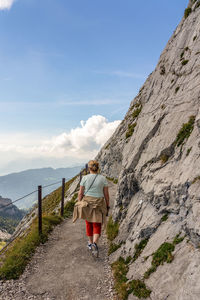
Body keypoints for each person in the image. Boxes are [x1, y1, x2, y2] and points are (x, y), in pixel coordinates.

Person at [73, 160, 110, 257]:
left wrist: (79, 201)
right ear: (98, 168)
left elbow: (80, 193)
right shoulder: (103, 179)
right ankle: (95, 243)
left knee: (88, 223)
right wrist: (107, 205)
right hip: (99, 203)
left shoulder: (85, 178)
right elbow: (106, 194)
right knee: (97, 223)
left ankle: (90, 243)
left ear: (89, 168)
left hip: (87, 203)